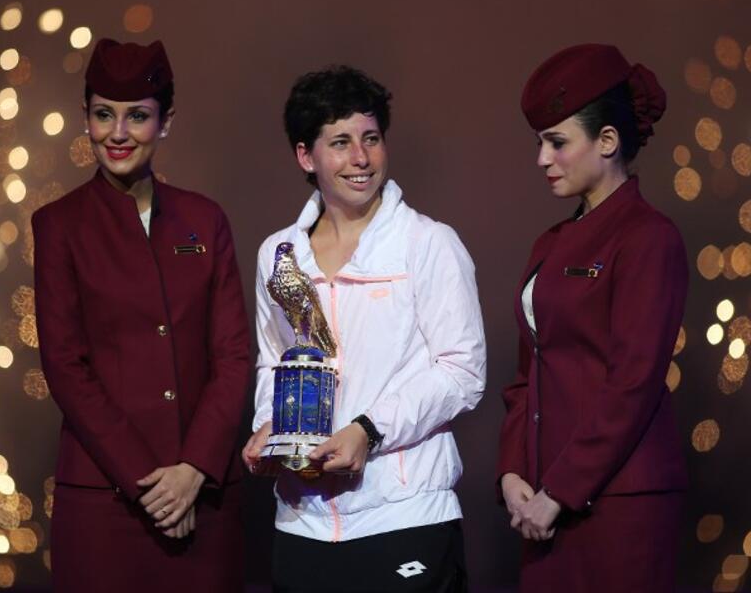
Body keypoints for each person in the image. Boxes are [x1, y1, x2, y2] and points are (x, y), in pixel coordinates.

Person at [242, 66, 485, 592]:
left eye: (371, 139)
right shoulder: (279, 255)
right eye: (341, 142)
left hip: (403, 515)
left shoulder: (428, 243)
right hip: (302, 520)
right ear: (306, 156)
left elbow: (462, 372)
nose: (361, 158)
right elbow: (273, 362)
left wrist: (368, 431)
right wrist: (270, 428)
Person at [32, 39, 249, 592]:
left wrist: (195, 469)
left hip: (205, 498)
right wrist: (154, 486)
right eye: (103, 114)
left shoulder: (205, 219)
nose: (119, 133)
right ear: (86, 119)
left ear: (166, 121)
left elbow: (233, 357)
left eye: (138, 116)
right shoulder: (58, 226)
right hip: (105, 502)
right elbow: (65, 367)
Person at [496, 44, 688, 592]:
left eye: (557, 143)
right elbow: (526, 378)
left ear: (607, 142)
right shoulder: (550, 243)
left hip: (618, 503)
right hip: (540, 505)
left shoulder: (648, 237)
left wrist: (559, 491)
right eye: (540, 143)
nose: (542, 159)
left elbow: (633, 384)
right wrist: (512, 474)